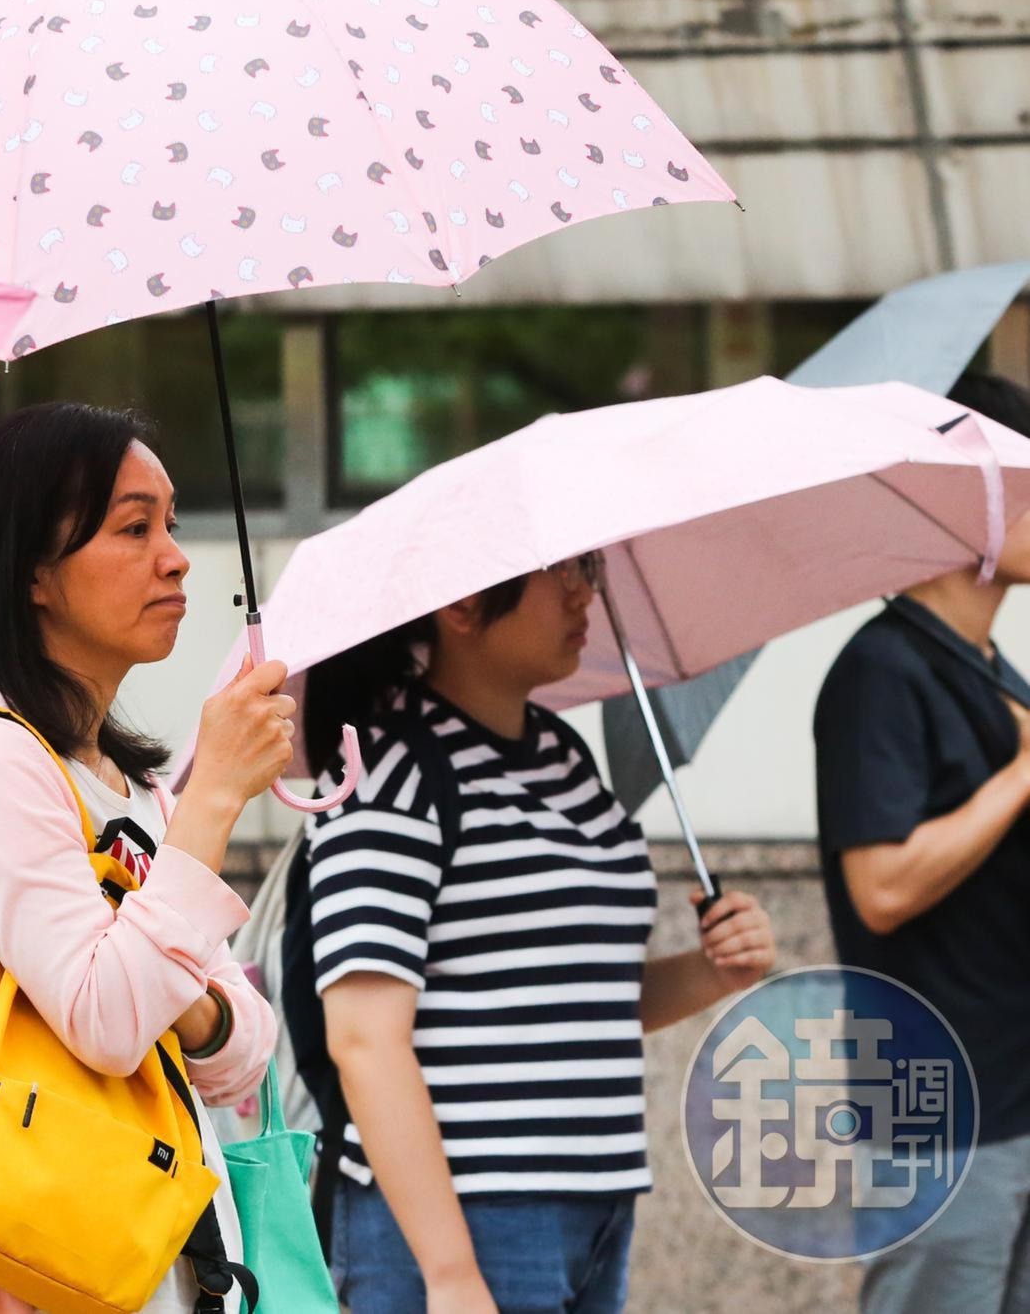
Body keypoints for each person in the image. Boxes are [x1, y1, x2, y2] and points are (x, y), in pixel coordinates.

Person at [0, 402, 288, 1313]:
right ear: (32, 571)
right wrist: (217, 796)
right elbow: (107, 1018)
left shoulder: (139, 789)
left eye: (169, 523)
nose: (174, 558)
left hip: (167, 1264)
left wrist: (169, 988)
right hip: (40, 1274)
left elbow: (243, 1054)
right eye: (133, 528)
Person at [288, 552, 776, 1314]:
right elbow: (364, 1039)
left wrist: (715, 970)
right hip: (460, 1217)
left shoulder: (561, 755)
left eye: (588, 566)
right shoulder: (389, 770)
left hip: (593, 1204)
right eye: (559, 569)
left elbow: (572, 997)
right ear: (461, 605)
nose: (585, 591)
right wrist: (450, 1273)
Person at [812, 371, 1030, 1314]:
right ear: (963, 498)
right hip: (940, 1117)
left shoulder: (993, 672)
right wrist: (1020, 777)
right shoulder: (881, 670)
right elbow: (882, 887)